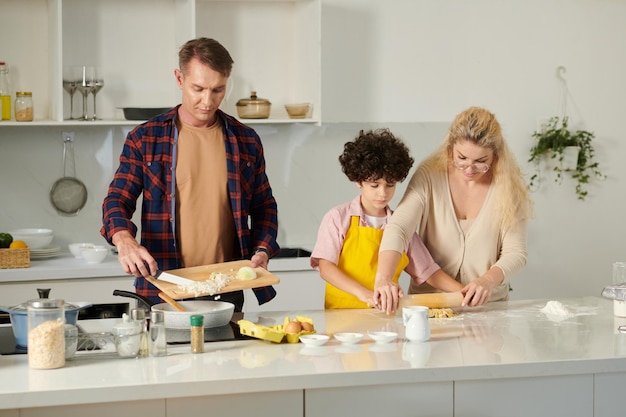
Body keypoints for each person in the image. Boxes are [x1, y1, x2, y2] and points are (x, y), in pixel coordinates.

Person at [101, 37, 279, 311]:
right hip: (162, 288)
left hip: (225, 289)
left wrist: (263, 249)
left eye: (218, 90)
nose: (208, 101)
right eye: (198, 88)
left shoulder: (246, 141)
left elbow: (264, 206)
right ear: (179, 79)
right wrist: (124, 240)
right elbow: (116, 200)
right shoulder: (145, 138)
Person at [374, 107, 533, 314]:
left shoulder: (507, 187)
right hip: (429, 305)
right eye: (462, 158)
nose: (469, 169)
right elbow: (399, 227)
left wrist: (487, 281)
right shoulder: (429, 175)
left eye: (480, 162)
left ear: (495, 156)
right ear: (450, 149)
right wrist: (384, 278)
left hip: (487, 307)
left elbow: (516, 253)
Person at [310, 128, 464, 309]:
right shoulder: (338, 218)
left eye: (390, 185)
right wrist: (365, 295)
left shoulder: (400, 225)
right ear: (358, 181)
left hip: (385, 320)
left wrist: (464, 292)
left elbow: (428, 271)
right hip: (341, 318)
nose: (383, 193)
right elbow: (326, 268)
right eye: (374, 185)